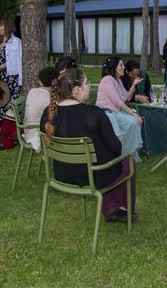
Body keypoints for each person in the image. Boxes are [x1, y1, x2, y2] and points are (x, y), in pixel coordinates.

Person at [41, 67, 136, 223]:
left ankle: (112, 208)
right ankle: (121, 210)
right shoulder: (94, 114)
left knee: (107, 163)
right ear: (77, 90)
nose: (90, 85)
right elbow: (116, 148)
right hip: (92, 176)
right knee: (126, 162)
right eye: (87, 83)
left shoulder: (48, 113)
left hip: (62, 174)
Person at [96, 56, 144, 161]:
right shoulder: (107, 80)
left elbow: (125, 97)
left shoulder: (117, 80)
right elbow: (118, 102)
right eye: (121, 65)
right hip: (106, 113)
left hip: (115, 111)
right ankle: (125, 154)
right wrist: (133, 113)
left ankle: (129, 154)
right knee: (132, 122)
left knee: (135, 122)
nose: (124, 67)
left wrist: (133, 85)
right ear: (114, 67)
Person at [123, 59, 167, 155]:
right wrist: (136, 97)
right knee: (147, 115)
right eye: (132, 75)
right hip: (131, 105)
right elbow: (122, 97)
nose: (135, 77)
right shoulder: (123, 79)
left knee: (159, 112)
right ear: (127, 72)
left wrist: (148, 100)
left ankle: (162, 145)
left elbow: (149, 93)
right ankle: (150, 147)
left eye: (137, 74)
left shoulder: (144, 76)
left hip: (144, 103)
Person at [0, 18, 23, 139]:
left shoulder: (16, 42)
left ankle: (10, 134)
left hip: (11, 77)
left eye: (1, 25)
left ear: (7, 27)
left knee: (9, 105)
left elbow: (14, 61)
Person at [23, 66, 58, 152]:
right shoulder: (50, 99)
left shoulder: (33, 91)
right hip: (37, 134)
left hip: (28, 130)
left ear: (40, 82)